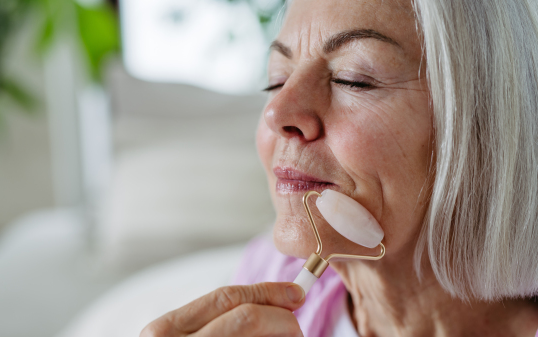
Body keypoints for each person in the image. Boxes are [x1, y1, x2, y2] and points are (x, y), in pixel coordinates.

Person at [141, 0, 538, 336]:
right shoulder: (268, 273)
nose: (277, 112)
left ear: (483, 131)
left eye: (353, 80)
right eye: (277, 80)